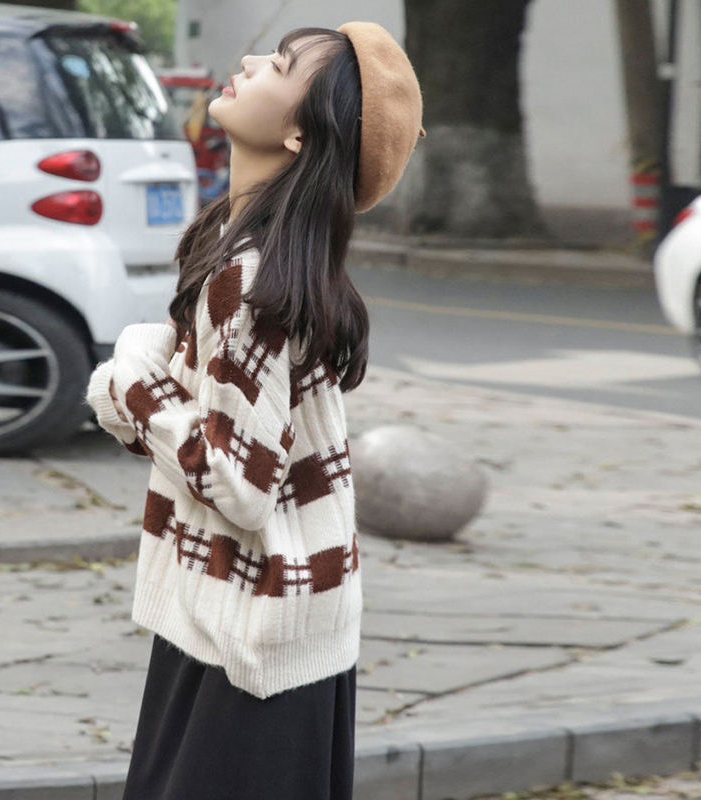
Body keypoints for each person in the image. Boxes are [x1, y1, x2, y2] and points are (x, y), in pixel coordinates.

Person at [85, 21, 425, 800]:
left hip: (250, 641)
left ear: (302, 133)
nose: (247, 62)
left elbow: (236, 480)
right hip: (250, 617)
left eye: (278, 65)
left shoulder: (251, 279)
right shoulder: (247, 249)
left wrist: (128, 380)